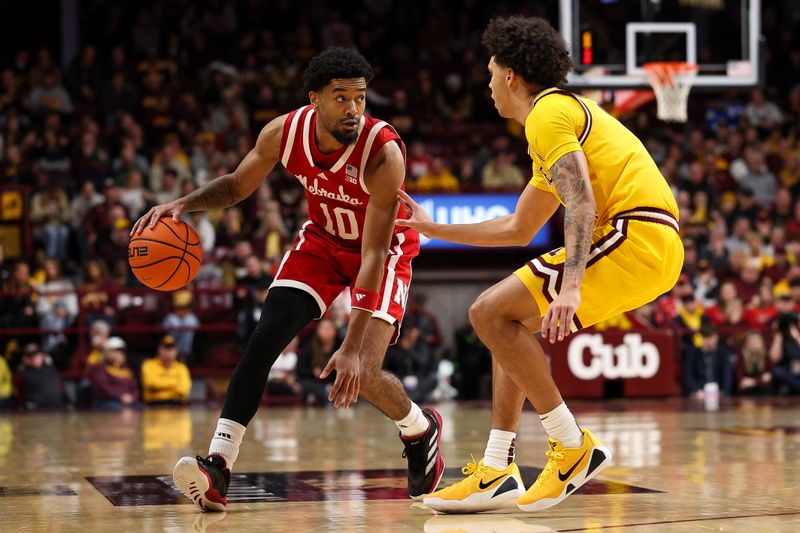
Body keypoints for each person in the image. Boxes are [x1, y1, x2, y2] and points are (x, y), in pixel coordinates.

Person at [132, 48, 443, 511]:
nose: (354, 108)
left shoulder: (383, 153)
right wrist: (183, 205)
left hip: (383, 252)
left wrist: (352, 345)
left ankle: (420, 430)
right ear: (314, 99)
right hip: (321, 242)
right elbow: (238, 185)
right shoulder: (284, 132)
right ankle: (218, 464)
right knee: (264, 338)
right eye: (341, 98)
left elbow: (374, 253)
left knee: (368, 373)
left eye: (360, 97)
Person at [397, 16, 683, 513]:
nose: (487, 86)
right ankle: (497, 467)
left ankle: (572, 448)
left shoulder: (547, 113)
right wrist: (433, 228)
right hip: (645, 243)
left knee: (487, 312)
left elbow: (582, 203)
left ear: (511, 76)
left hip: (636, 233)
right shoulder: (554, 126)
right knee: (503, 323)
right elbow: (518, 227)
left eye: (490, 73)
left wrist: (569, 287)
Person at [87, 336, 139, 409]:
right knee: (118, 409)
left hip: (126, 400)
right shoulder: (99, 368)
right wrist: (120, 396)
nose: (118, 353)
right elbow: (104, 387)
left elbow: (134, 387)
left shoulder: (126, 368)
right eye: (115, 351)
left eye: (120, 351)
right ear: (107, 352)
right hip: (106, 401)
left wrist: (132, 397)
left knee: (140, 407)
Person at [141, 335, 192, 405]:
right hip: (154, 404)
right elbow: (150, 383)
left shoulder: (182, 367)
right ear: (159, 349)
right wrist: (174, 384)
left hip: (177, 404)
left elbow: (184, 389)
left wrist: (161, 387)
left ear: (176, 351)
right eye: (165, 348)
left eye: (171, 348)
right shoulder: (149, 365)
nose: (168, 352)